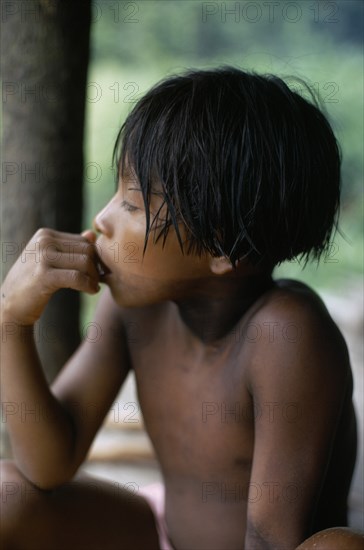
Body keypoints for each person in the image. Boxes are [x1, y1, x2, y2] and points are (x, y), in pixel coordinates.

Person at [1, 67, 362, 550]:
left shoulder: (285, 333)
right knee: (7, 491)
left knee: (337, 547)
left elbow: (271, 537)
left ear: (219, 249)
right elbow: (48, 463)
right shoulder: (136, 309)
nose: (101, 220)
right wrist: (11, 322)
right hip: (161, 532)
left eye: (131, 204)